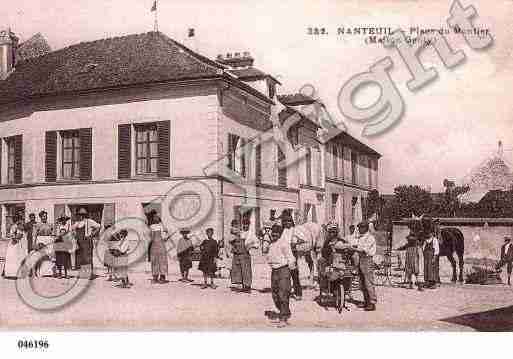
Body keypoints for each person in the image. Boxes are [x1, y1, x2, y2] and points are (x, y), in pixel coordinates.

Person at [265, 223, 295, 327]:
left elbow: (290, 257)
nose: (274, 235)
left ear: (280, 234)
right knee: (275, 294)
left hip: (283, 270)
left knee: (283, 294)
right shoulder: (271, 244)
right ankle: (285, 312)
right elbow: (268, 256)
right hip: (274, 271)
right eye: (273, 233)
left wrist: (291, 269)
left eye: (276, 233)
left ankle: (283, 318)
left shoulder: (284, 243)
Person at [354, 221, 377, 311]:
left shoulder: (370, 238)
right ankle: (366, 301)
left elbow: (364, 250)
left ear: (365, 228)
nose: (359, 229)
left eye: (361, 228)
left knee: (368, 282)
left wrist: (353, 248)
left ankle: (372, 302)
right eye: (359, 228)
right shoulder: (361, 237)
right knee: (362, 282)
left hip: (367, 260)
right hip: (360, 259)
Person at [71, 208, 100, 278]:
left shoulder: (89, 221)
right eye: (80, 215)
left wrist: (92, 234)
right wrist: (74, 234)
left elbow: (98, 226)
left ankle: (90, 274)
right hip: (79, 242)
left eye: (83, 215)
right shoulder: (77, 223)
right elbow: (72, 229)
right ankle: (84, 274)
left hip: (87, 242)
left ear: (85, 215)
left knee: (88, 258)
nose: (81, 216)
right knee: (81, 258)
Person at [229, 218, 253, 293]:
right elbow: (232, 238)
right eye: (244, 224)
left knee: (246, 270)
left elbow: (256, 243)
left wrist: (251, 245)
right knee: (239, 270)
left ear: (249, 225)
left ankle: (248, 287)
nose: (245, 226)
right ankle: (243, 285)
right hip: (238, 253)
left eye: (247, 224)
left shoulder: (250, 233)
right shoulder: (241, 232)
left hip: (245, 254)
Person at [147, 210, 169, 284]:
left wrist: (166, 234)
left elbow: (165, 237)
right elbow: (150, 236)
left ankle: (162, 277)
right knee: (154, 261)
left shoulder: (162, 226)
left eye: (157, 217)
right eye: (154, 217)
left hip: (161, 245)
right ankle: (155, 277)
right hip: (154, 245)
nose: (155, 218)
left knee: (162, 261)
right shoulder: (151, 226)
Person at [2, 215, 28, 279]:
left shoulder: (19, 227)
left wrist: (14, 237)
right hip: (12, 243)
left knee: (15, 257)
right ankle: (10, 273)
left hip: (15, 243)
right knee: (11, 257)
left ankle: (14, 273)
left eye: (15, 219)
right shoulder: (14, 226)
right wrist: (11, 236)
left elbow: (20, 235)